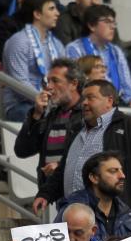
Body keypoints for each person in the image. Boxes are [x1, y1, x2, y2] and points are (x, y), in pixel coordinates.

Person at [33, 80, 131, 226]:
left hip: (115, 220)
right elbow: (63, 170)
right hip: (74, 218)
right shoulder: (76, 130)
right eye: (83, 98)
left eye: (90, 97)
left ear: (109, 101)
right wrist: (45, 194)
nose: (84, 103)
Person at [12, 58, 84, 188]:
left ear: (73, 84)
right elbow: (22, 150)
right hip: (51, 192)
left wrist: (61, 166)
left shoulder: (88, 114)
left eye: (55, 81)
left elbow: (92, 154)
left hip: (78, 190)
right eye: (48, 81)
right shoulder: (49, 115)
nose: (49, 87)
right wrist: (36, 115)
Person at [2, 0, 65, 122]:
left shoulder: (57, 44)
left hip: (51, 103)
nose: (57, 13)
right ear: (37, 14)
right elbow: (19, 83)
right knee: (51, 118)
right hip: (20, 106)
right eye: (51, 9)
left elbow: (65, 77)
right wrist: (47, 101)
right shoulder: (19, 41)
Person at [54, 151, 131, 241]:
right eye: (113, 171)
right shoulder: (73, 209)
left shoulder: (125, 211)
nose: (122, 175)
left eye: (121, 170)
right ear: (94, 178)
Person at [65, 5, 131, 107]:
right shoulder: (74, 49)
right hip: (88, 104)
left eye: (114, 23)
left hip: (117, 104)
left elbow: (127, 85)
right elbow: (76, 84)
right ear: (91, 25)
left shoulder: (116, 51)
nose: (112, 27)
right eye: (107, 22)